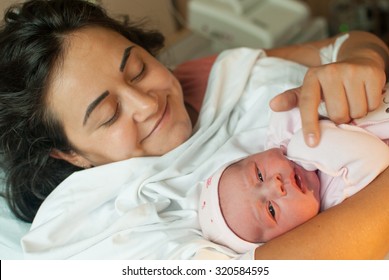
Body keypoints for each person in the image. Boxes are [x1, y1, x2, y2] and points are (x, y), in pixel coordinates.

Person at [0, 0, 388, 259]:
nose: (148, 103)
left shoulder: (207, 76)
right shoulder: (99, 222)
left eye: (138, 70)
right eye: (109, 114)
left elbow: (342, 46)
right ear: (68, 152)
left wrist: (364, 59)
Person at [199, 92, 389, 253]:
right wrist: (301, 146)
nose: (276, 185)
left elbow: (292, 103)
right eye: (271, 210)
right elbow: (376, 156)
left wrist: (282, 145)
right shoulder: (335, 199)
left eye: (258, 174)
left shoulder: (284, 141)